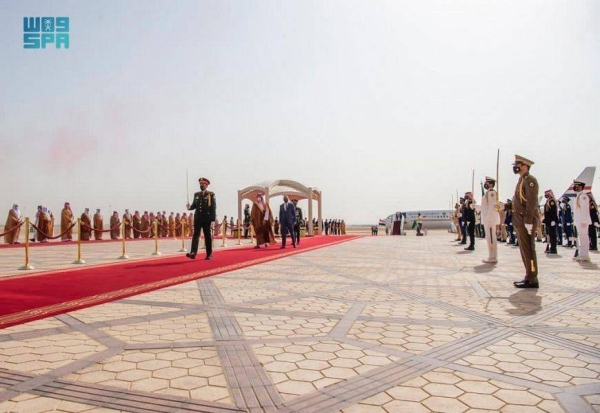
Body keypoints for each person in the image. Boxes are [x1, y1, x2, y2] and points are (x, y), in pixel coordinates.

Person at [511, 155, 540, 289]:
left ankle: (533, 277)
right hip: (520, 220)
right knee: (524, 249)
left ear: (525, 166)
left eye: (518, 165)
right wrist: (505, 206)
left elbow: (532, 201)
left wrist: (528, 220)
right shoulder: (521, 180)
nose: (515, 167)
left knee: (529, 249)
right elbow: (519, 202)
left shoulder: (530, 180)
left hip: (525, 220)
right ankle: (528, 275)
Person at [186, 177, 216, 260]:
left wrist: (213, 219)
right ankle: (193, 252)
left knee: (207, 236)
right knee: (196, 235)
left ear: (206, 185)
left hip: (207, 218)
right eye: (200, 184)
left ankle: (209, 254)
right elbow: (194, 205)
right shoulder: (196, 194)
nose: (202, 185)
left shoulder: (211, 194)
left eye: (203, 184)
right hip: (198, 218)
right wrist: (189, 207)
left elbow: (213, 207)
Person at [477, 177, 501, 263]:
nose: (485, 184)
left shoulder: (491, 193)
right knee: (489, 238)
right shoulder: (487, 193)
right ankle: (491, 255)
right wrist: (476, 207)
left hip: (490, 220)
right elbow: (485, 207)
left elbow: (492, 207)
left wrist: (489, 219)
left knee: (491, 238)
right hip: (487, 219)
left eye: (486, 182)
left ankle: (493, 257)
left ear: (491, 184)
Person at [572, 180, 591, 262]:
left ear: (580, 186)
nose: (574, 187)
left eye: (576, 185)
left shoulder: (583, 196)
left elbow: (585, 209)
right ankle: (582, 254)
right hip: (579, 221)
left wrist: (584, 220)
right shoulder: (578, 196)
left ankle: (585, 255)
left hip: (583, 221)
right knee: (581, 238)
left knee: (584, 238)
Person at [542, 190, 559, 254]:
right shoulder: (548, 201)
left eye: (546, 194)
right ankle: (551, 248)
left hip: (551, 220)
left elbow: (553, 211)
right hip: (548, 221)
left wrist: (553, 220)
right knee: (549, 234)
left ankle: (553, 249)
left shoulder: (552, 201)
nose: (545, 195)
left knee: (553, 235)